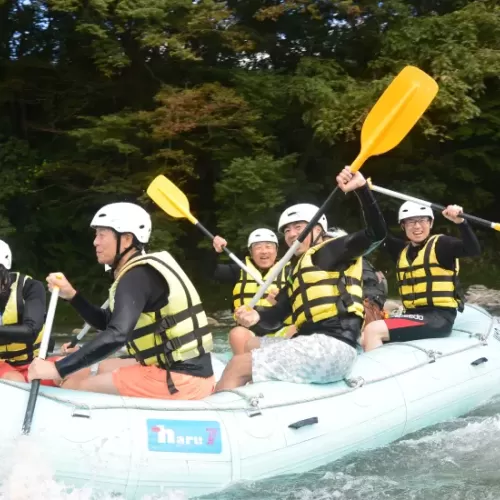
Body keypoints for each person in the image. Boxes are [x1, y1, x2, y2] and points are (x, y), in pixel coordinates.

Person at [214, 166, 387, 391]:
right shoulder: (298, 271)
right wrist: (255, 317)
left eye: (299, 227)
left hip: (332, 348)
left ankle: (221, 415)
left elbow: (376, 232)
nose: (293, 234)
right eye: (287, 230)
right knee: (249, 343)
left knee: (238, 364)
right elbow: (276, 316)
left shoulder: (332, 250)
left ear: (318, 230)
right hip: (308, 342)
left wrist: (362, 190)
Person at [28, 202, 215, 400]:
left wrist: (58, 369)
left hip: (180, 380)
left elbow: (117, 335)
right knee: (105, 365)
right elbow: (108, 322)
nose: (95, 242)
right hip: (188, 372)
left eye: (102, 235)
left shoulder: (136, 277)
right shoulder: (142, 272)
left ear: (126, 239)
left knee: (73, 386)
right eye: (96, 235)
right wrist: (73, 296)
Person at [361, 200, 481, 351]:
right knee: (363, 336)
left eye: (422, 220)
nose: (417, 226)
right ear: (403, 225)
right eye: (411, 221)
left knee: (373, 330)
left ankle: (376, 375)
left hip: (438, 317)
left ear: (431, 223)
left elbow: (473, 249)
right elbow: (376, 227)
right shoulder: (401, 251)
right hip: (412, 315)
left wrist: (461, 222)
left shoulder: (442, 245)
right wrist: (363, 190)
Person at [212, 228, 295, 354]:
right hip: (249, 332)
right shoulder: (238, 270)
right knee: (237, 333)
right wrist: (214, 252)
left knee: (299, 329)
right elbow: (208, 271)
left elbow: (303, 306)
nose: (264, 251)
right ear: (251, 252)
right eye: (258, 247)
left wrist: (283, 300)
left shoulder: (291, 270)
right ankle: (245, 367)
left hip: (282, 330)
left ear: (276, 250)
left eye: (268, 246)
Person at [0, 240, 57, 384]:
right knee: (14, 380)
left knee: (77, 371)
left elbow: (31, 331)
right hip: (3, 367)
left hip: (35, 363)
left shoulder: (30, 288)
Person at [327, 227, 388, 325]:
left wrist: (369, 305)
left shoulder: (360, 263)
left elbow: (372, 287)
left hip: (363, 307)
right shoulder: (321, 266)